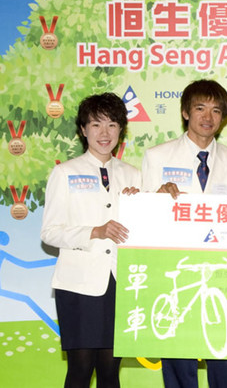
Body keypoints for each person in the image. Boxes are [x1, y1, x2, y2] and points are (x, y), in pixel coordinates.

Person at [142, 79, 227, 388]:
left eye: (216, 110)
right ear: (186, 112)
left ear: (223, 117)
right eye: (200, 108)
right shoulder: (156, 156)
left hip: (221, 272)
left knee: (226, 357)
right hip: (174, 268)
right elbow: (143, 220)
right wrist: (156, 199)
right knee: (178, 363)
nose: (208, 117)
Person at [41, 92, 141, 388]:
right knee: (81, 369)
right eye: (96, 125)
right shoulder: (64, 172)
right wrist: (93, 232)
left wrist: (142, 207)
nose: (104, 133)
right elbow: (49, 232)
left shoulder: (133, 175)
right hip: (79, 284)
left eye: (112, 125)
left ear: (121, 129)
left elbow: (143, 230)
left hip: (120, 281)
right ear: (83, 129)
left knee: (110, 371)